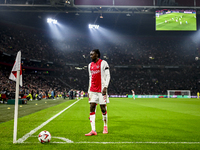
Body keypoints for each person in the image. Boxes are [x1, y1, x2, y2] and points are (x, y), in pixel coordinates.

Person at [85, 49, 110, 136]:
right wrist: (89, 90)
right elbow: (90, 78)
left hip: (101, 89)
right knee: (92, 107)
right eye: (90, 54)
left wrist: (105, 87)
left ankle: (105, 126)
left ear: (97, 55)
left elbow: (108, 75)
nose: (90, 56)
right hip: (93, 90)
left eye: (92, 54)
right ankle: (93, 130)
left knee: (103, 108)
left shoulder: (103, 63)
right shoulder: (89, 65)